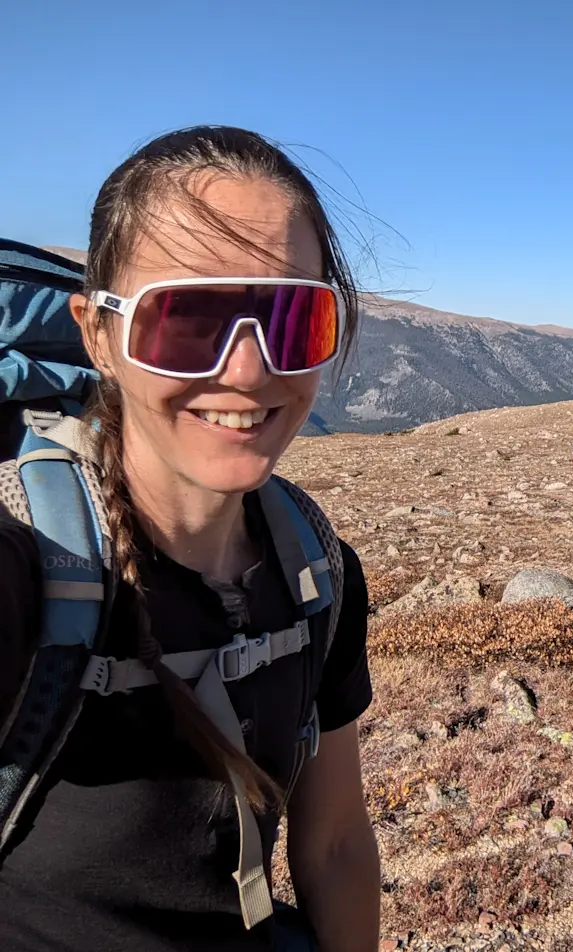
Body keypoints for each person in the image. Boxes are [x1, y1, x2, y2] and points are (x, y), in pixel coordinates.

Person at [0, 127, 380, 952]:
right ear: (98, 335)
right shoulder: (28, 569)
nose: (247, 371)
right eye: (187, 319)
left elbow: (337, 842)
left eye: (292, 318)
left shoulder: (319, 574)